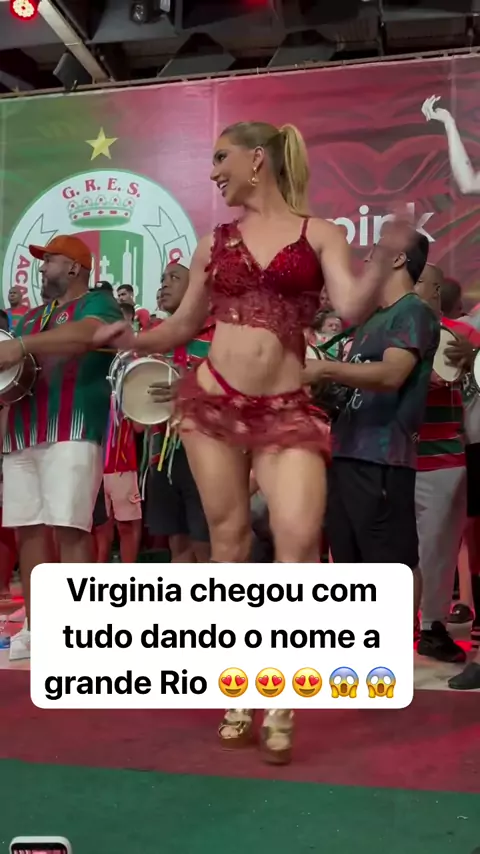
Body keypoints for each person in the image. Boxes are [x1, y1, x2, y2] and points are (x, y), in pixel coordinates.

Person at [94, 120, 418, 765]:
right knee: (229, 547)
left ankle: (281, 698)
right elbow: (182, 325)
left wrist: (384, 255)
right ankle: (240, 691)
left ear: (258, 159)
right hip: (213, 401)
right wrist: (131, 338)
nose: (214, 170)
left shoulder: (319, 232)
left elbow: (353, 307)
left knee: (299, 547)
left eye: (222, 157)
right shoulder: (213, 242)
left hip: (288, 410)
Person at [0, 234, 123, 661]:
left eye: (49, 259)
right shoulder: (31, 317)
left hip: (73, 427)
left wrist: (20, 345)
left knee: (70, 527)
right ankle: (38, 627)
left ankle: (78, 630)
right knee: (28, 529)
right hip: (22, 431)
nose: (41, 267)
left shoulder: (97, 303)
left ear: (74, 267)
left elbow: (87, 336)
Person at [308, 234, 439, 625]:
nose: (365, 260)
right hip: (346, 451)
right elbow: (354, 386)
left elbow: (392, 374)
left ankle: (394, 644)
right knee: (349, 561)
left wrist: (324, 368)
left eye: (374, 252)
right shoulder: (371, 320)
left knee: (389, 564)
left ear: (397, 259)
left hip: (382, 457)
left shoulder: (413, 311)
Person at [413, 264, 469, 662]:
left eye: (425, 284)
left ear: (437, 293)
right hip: (390, 456)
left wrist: (470, 362)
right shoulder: (379, 332)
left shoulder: (461, 335)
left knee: (438, 550)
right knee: (391, 551)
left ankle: (432, 625)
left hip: (444, 456)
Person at [145, 261, 211, 562]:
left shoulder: (218, 333)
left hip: (206, 449)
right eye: (163, 279)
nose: (165, 284)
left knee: (206, 543)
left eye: (174, 278)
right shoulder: (155, 338)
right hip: (162, 452)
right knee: (178, 544)